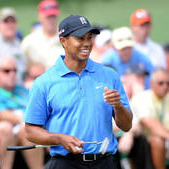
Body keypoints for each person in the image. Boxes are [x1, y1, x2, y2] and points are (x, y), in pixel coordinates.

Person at [24, 15, 133, 169]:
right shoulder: (44, 82)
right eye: (80, 38)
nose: (87, 43)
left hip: (105, 162)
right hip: (65, 163)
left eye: (89, 38)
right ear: (63, 41)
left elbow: (127, 125)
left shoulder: (109, 75)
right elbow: (30, 131)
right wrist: (59, 139)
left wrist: (119, 106)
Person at [0, 56, 44, 169]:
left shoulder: (22, 90)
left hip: (24, 130)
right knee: (15, 128)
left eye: (15, 70)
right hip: (8, 132)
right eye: (7, 71)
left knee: (28, 129)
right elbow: (1, 113)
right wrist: (23, 119)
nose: (12, 74)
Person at [130, 68, 169, 169]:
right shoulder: (141, 98)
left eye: (168, 83)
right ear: (151, 83)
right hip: (144, 143)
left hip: (165, 139)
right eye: (161, 83)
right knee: (157, 139)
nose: (165, 86)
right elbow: (151, 125)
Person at [20, 0, 63, 69]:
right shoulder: (29, 41)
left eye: (53, 16)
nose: (51, 20)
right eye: (48, 17)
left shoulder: (66, 37)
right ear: (39, 16)